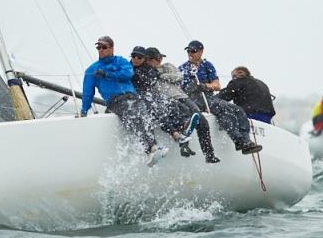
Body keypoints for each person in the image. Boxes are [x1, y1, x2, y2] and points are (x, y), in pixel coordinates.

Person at [81, 36, 168, 166]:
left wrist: (107, 73)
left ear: (111, 48)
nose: (101, 50)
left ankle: (154, 147)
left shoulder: (121, 61)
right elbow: (88, 92)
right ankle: (151, 148)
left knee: (143, 114)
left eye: (104, 47)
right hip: (115, 100)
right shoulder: (91, 70)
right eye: (98, 47)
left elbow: (128, 74)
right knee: (133, 114)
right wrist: (84, 110)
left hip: (132, 96)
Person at [177, 41, 262, 154]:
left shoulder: (207, 65)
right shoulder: (182, 69)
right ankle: (240, 141)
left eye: (193, 51)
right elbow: (178, 90)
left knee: (234, 111)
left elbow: (217, 86)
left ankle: (243, 141)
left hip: (208, 97)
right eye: (188, 51)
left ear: (201, 51)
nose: (190, 53)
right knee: (223, 110)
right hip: (194, 100)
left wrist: (205, 86)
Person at [144, 47, 220, 163]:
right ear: (149, 60)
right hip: (167, 100)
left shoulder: (167, 66)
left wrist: (160, 75)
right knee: (182, 118)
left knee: (201, 120)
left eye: (160, 58)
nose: (160, 60)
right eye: (157, 58)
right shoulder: (146, 72)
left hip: (182, 96)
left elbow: (178, 77)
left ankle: (209, 154)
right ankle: (184, 146)